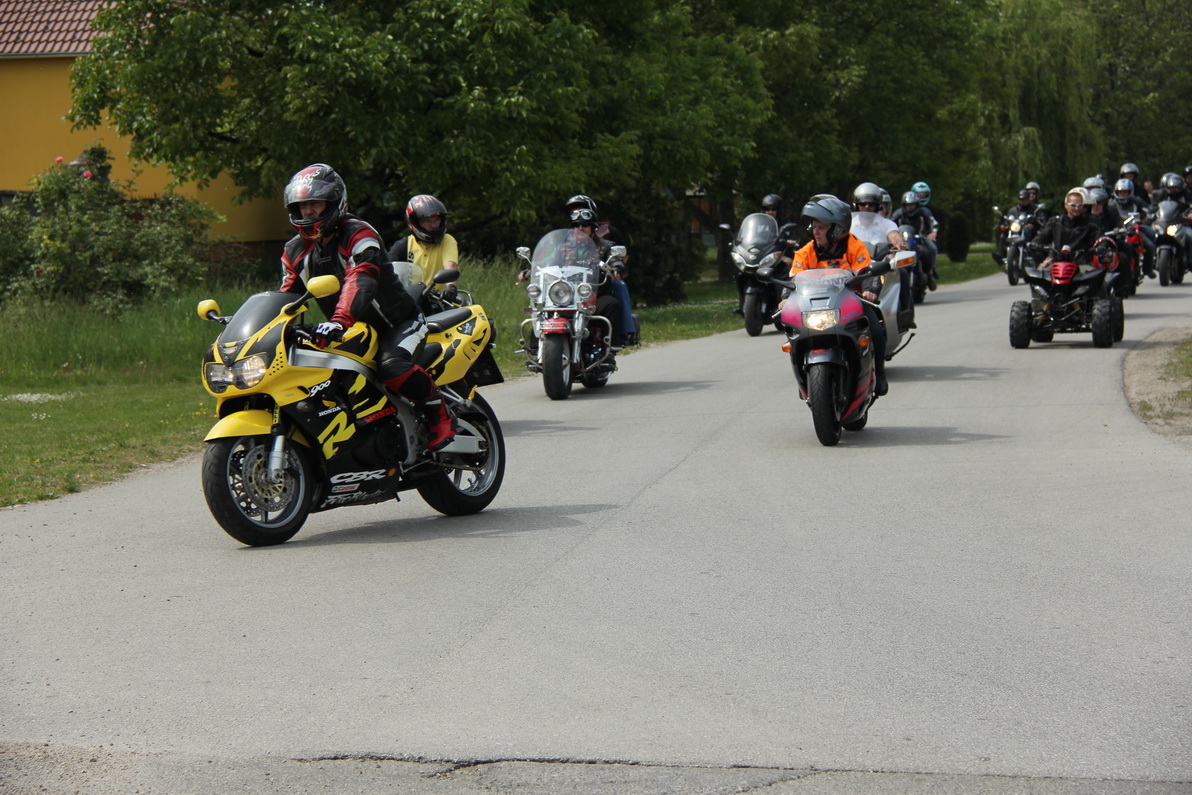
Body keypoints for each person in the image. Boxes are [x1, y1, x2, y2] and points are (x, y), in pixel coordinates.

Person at [279, 164, 454, 451]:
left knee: (393, 367)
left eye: (315, 204)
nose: (308, 212)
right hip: (349, 331)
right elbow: (287, 296)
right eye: (302, 206)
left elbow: (361, 279)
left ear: (334, 202)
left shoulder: (359, 234)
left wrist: (338, 320)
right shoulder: (294, 250)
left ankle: (438, 410)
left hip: (398, 322)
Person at [779, 194, 888, 396]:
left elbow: (868, 272)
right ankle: (804, 378)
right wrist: (785, 298)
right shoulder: (805, 252)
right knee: (793, 335)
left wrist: (870, 291)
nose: (815, 231)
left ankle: (879, 373)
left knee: (876, 328)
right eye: (814, 226)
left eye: (821, 227)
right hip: (812, 306)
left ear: (837, 229)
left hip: (851, 304)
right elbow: (792, 279)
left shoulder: (854, 246)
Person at [565, 195, 637, 345]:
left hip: (599, 281)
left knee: (617, 289)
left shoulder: (608, 238)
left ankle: (623, 334)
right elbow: (548, 260)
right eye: (577, 224)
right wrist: (530, 270)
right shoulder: (564, 243)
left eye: (584, 224)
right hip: (569, 289)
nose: (580, 228)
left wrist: (616, 268)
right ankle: (537, 346)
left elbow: (621, 255)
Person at [387, 194, 459, 298]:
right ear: (415, 222)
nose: (434, 225)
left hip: (439, 300)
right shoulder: (403, 245)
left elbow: (450, 266)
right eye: (427, 221)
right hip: (411, 300)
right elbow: (386, 269)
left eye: (436, 220)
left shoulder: (447, 240)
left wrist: (451, 288)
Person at [1032, 187, 1099, 268]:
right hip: (1057, 263)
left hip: (1081, 265)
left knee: (1093, 273)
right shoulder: (1055, 222)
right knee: (1039, 272)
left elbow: (1100, 238)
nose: (1077, 208)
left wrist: (1102, 245)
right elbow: (1042, 237)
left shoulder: (1090, 224)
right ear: (1066, 205)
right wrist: (1036, 245)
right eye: (1073, 205)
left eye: (1080, 205)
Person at [891, 189, 940, 290]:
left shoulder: (924, 212)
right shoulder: (899, 213)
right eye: (908, 205)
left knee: (932, 248)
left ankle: (930, 273)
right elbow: (890, 225)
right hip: (904, 242)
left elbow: (933, 222)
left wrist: (933, 232)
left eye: (912, 205)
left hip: (921, 239)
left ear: (917, 204)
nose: (910, 207)